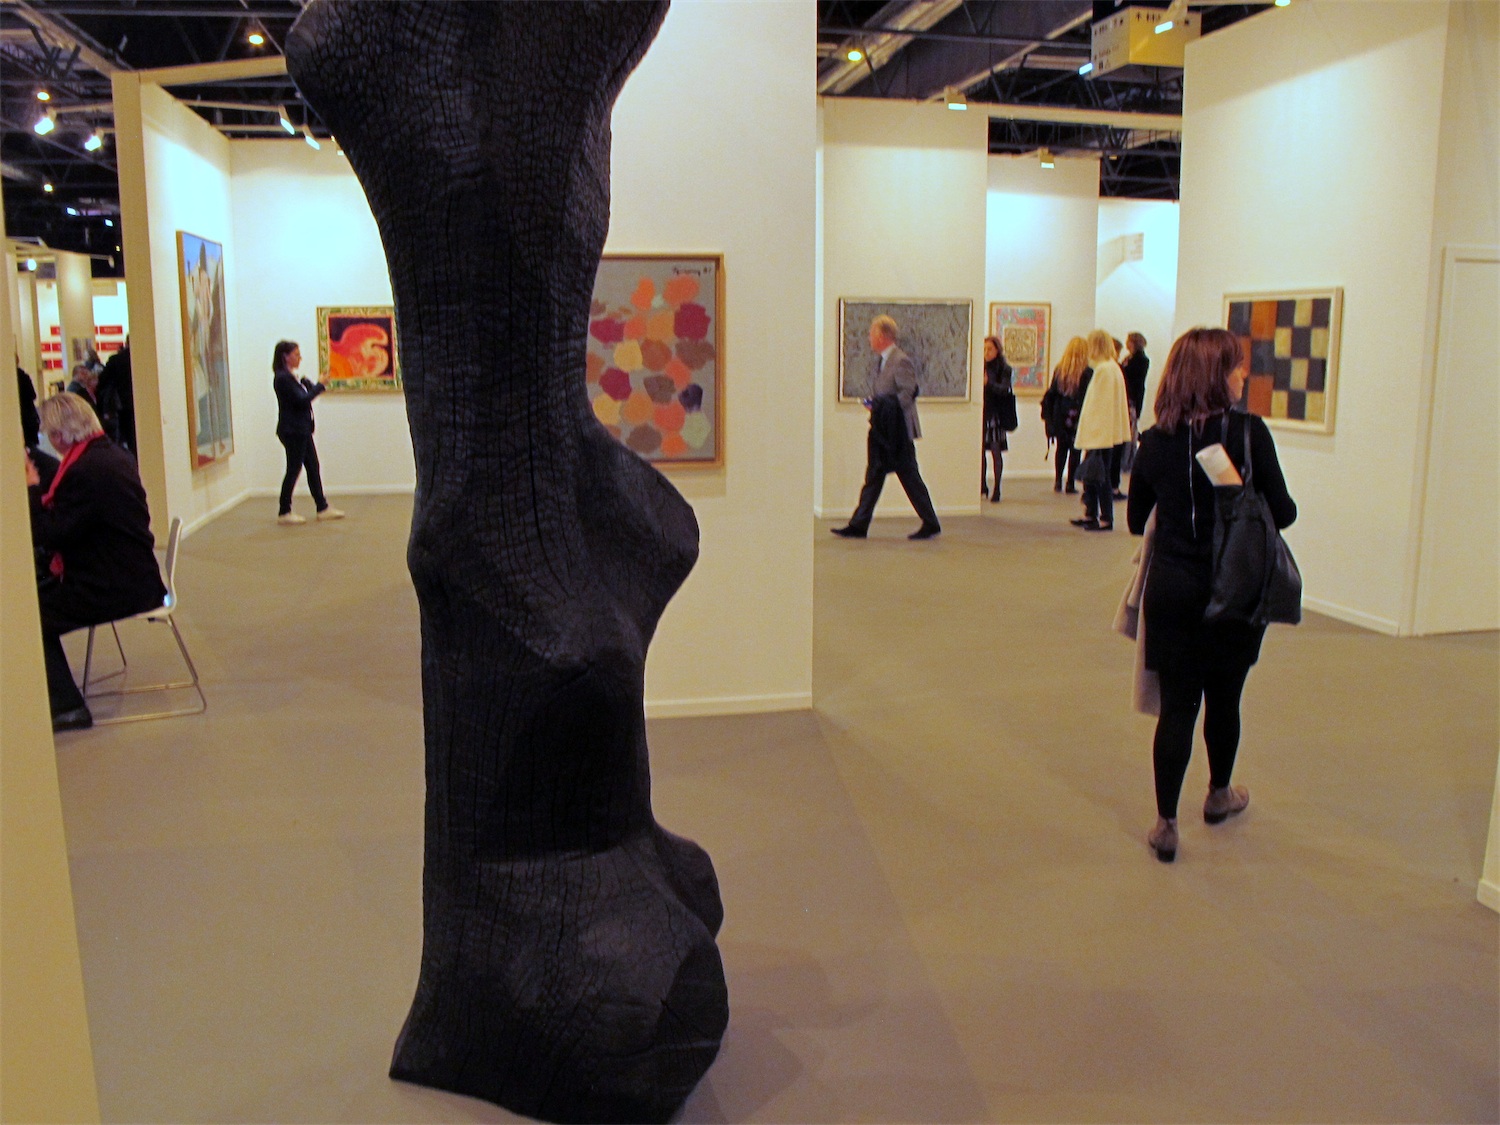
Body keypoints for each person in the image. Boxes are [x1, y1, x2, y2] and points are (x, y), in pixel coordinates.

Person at [1127, 328, 1297, 863]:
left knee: (1177, 707)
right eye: (1235, 366)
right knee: (1225, 698)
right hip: (1234, 591)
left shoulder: (1155, 442)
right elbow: (1285, 512)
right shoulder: (1248, 433)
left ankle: (1166, 825)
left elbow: (1135, 520)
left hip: (1173, 589)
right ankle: (1219, 794)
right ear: (1216, 375)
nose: (1242, 374)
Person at [25, 392, 167, 731]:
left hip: (117, 586)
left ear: (60, 434)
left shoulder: (87, 470)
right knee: (35, 597)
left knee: (30, 616)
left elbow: (51, 533)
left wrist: (31, 487)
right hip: (129, 574)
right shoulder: (107, 455)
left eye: (49, 434)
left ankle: (67, 708)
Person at [832, 315, 941, 540]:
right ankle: (859, 524)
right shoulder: (882, 360)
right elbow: (888, 392)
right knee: (874, 475)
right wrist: (877, 404)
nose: (869, 339)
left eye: (872, 334)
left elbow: (908, 392)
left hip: (897, 432)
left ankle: (930, 522)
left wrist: (882, 407)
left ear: (882, 336)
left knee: (909, 476)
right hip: (883, 430)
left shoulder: (900, 360)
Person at [272, 340, 344, 525]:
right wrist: (319, 385)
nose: (300, 358)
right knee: (294, 469)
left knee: (312, 466)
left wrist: (314, 385)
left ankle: (322, 507)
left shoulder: (292, 377)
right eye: (296, 354)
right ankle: (284, 511)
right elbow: (302, 400)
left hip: (301, 430)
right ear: (285, 357)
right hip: (293, 431)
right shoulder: (282, 378)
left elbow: (306, 396)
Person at [1070, 330, 1130, 530]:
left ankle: (1105, 518)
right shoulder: (1111, 368)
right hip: (1103, 433)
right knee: (1094, 475)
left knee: (1099, 476)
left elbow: (1099, 407)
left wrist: (1094, 434)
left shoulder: (1105, 370)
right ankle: (1091, 514)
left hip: (1100, 434)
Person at [1041, 336, 1089, 494]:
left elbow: (1053, 392)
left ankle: (1058, 481)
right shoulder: (1087, 371)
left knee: (1061, 448)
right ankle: (1070, 483)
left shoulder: (1060, 369)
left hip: (1060, 413)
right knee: (1075, 449)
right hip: (1077, 414)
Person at [980, 335, 1015, 503]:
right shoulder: (980, 366)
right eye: (984, 349)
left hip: (995, 414)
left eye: (990, 349)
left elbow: (1004, 389)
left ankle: (997, 489)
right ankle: (982, 485)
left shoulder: (1004, 368)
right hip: (982, 412)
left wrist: (989, 384)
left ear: (997, 350)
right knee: (980, 452)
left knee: (995, 450)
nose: (986, 352)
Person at [1118, 331, 1150, 490]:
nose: (1126, 344)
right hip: (1128, 399)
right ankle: (1126, 461)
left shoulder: (1141, 360)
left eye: (1129, 341)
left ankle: (1128, 462)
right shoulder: (1130, 359)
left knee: (1130, 432)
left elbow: (1130, 377)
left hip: (1132, 400)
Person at [97, 337, 136, 454]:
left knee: (129, 437)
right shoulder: (146, 358)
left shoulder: (116, 360)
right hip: (144, 403)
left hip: (124, 404)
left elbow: (103, 381)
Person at [17, 359, 40, 450]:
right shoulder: (24, 376)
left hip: (22, 415)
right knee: (31, 446)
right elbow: (33, 395)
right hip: (28, 415)